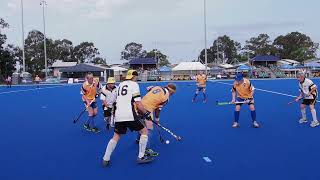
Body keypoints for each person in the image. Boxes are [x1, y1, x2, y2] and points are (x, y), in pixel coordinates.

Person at [102, 70, 154, 167]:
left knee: (116, 136)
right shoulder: (134, 84)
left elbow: (114, 101)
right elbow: (138, 103)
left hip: (119, 115)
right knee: (144, 131)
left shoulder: (120, 85)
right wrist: (145, 112)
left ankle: (106, 158)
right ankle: (141, 157)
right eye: (136, 76)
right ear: (134, 77)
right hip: (129, 114)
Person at [136, 84, 177, 157]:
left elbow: (148, 88)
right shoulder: (166, 98)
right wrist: (157, 120)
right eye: (173, 94)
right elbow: (157, 110)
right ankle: (146, 149)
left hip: (138, 105)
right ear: (171, 92)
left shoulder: (157, 87)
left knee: (142, 124)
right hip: (147, 109)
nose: (172, 95)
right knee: (149, 129)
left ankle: (139, 139)